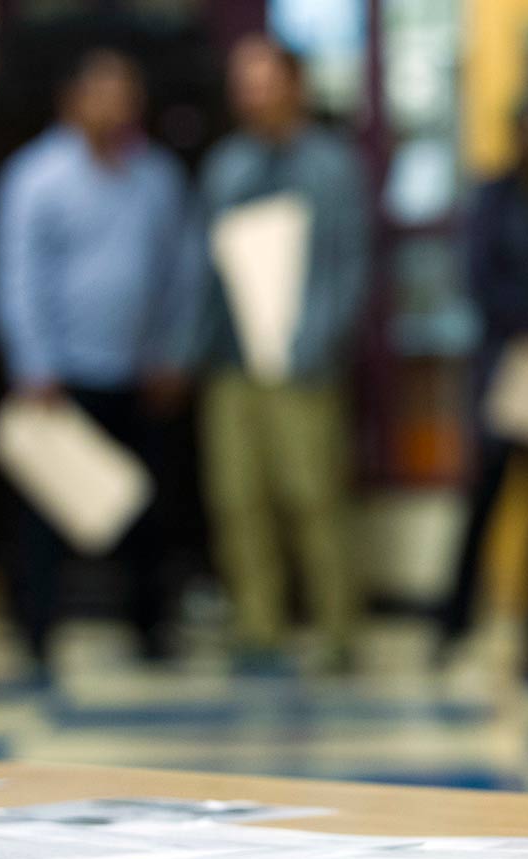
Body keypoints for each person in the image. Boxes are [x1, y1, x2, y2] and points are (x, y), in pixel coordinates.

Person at [0, 48, 200, 679]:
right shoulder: (35, 177)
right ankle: (37, 631)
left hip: (139, 370)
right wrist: (33, 363)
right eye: (103, 93)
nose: (117, 106)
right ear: (73, 99)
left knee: (144, 506)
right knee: (47, 513)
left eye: (127, 93)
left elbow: (181, 272)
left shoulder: (156, 177)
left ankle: (150, 626)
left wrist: (173, 353)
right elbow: (16, 276)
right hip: (61, 373)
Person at [190, 36, 369, 675]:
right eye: (243, 83)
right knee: (238, 501)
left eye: (264, 82)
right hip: (232, 362)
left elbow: (351, 267)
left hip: (304, 363)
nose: (252, 95)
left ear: (294, 86)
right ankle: (257, 631)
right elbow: (201, 264)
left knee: (313, 500)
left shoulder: (331, 165)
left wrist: (319, 340)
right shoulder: (225, 166)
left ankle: (336, 632)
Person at [437, 97, 528, 682]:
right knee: (486, 502)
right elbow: (478, 277)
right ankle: (453, 625)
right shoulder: (494, 198)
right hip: (507, 365)